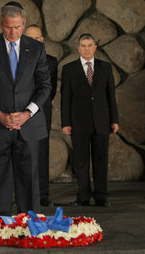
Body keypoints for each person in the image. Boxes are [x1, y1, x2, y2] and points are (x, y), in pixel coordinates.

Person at [0, 2, 51, 216]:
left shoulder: (36, 48)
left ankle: (30, 224)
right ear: (0, 24)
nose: (13, 32)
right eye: (8, 27)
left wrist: (27, 114)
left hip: (29, 126)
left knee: (29, 181)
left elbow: (45, 85)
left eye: (17, 27)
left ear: (24, 24)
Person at [60, 34, 119, 207]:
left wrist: (114, 120)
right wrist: (65, 122)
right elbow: (65, 98)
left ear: (95, 47)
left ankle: (101, 196)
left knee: (101, 160)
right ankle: (83, 196)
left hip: (101, 121)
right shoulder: (69, 69)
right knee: (81, 162)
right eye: (83, 45)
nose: (86, 48)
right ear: (78, 48)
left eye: (89, 45)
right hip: (79, 123)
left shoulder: (105, 68)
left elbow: (111, 96)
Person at [24, 25, 58, 207]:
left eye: (37, 39)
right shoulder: (17, 60)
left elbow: (50, 91)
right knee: (23, 154)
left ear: (42, 40)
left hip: (43, 114)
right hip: (22, 114)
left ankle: (42, 195)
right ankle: (23, 194)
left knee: (42, 154)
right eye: (30, 38)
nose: (34, 42)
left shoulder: (52, 61)